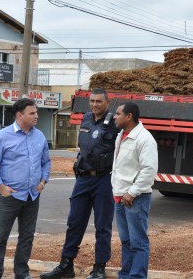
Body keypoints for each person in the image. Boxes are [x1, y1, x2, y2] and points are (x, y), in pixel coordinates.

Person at [41, 89, 119, 279]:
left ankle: (99, 268)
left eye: (99, 101)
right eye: (92, 101)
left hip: (103, 179)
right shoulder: (85, 119)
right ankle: (66, 265)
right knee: (74, 222)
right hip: (83, 179)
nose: (94, 105)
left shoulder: (116, 123)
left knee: (102, 226)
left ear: (107, 102)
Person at [0, 98, 51, 279]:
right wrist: (0, 186)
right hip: (9, 197)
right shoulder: (2, 136)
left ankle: (22, 273)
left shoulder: (40, 136)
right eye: (32, 113)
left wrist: (43, 181)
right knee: (0, 238)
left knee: (27, 237)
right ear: (19, 115)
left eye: (36, 112)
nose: (36, 116)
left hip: (32, 196)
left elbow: (46, 162)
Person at [112, 102, 158, 279]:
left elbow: (149, 170)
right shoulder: (121, 135)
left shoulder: (144, 139)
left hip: (134, 198)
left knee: (138, 242)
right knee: (126, 241)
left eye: (118, 114)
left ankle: (137, 276)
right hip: (120, 196)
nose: (115, 117)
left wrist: (132, 192)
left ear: (129, 116)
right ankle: (126, 274)